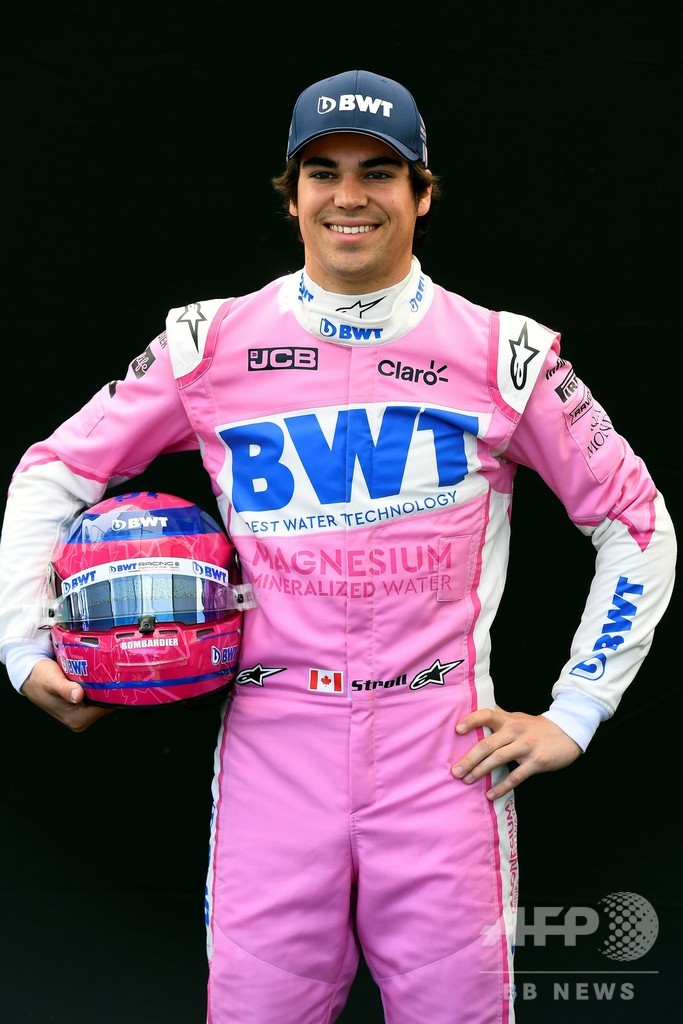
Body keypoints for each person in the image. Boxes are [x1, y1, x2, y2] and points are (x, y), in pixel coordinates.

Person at [0, 68, 676, 1024]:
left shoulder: (504, 353)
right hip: (275, 748)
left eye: (379, 172)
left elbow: (635, 522)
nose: (349, 196)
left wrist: (578, 708)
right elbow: (53, 472)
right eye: (323, 172)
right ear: (292, 196)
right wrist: (23, 642)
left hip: (444, 755)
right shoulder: (206, 344)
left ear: (422, 194)